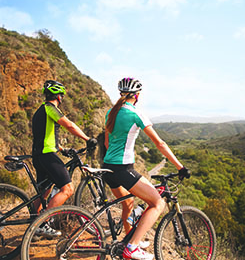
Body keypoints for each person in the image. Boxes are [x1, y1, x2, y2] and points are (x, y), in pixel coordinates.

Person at [102, 77, 189, 260]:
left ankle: (132, 239)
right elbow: (159, 143)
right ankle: (132, 248)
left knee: (129, 204)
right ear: (137, 95)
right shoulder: (136, 114)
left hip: (108, 167)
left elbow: (107, 142)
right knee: (158, 203)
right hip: (123, 168)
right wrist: (180, 167)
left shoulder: (111, 111)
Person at [32, 80, 91, 236]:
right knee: (67, 189)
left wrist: (62, 149)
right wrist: (87, 139)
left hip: (38, 156)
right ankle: (42, 223)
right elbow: (69, 125)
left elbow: (45, 134)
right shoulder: (50, 108)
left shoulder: (39, 111)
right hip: (47, 156)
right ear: (59, 97)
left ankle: (33, 225)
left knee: (44, 192)